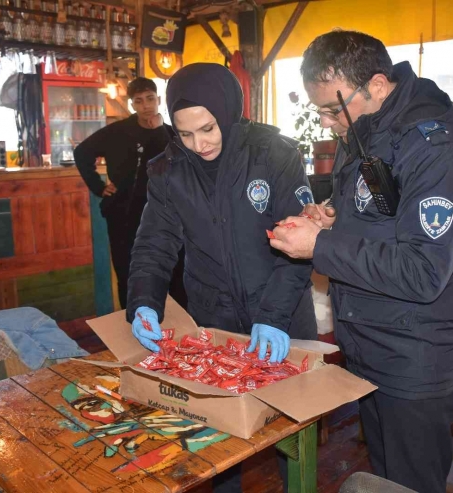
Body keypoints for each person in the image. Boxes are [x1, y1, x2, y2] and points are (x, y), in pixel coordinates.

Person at [269, 30, 453, 493]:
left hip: (415, 354)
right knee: (385, 477)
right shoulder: (366, 129)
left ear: (379, 86)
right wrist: (332, 221)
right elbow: (381, 217)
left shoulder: (438, 147)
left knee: (411, 481)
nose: (327, 123)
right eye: (319, 111)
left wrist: (320, 248)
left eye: (332, 108)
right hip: (371, 343)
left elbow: (424, 270)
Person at [126, 63, 317, 492]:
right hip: (216, 323)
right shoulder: (168, 170)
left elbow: (300, 245)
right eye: (185, 133)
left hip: (281, 318)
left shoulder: (273, 153)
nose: (199, 144)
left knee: (293, 435)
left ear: (228, 112)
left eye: (209, 128)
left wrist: (273, 314)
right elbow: (154, 246)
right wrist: (143, 302)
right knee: (218, 440)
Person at [74, 77, 186, 310]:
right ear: (132, 104)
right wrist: (98, 186)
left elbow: (179, 162)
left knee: (175, 271)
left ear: (158, 100)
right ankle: (132, 326)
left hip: (166, 215)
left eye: (150, 99)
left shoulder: (170, 133)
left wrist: (158, 131)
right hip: (124, 215)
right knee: (127, 272)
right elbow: (82, 152)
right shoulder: (117, 132)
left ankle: (178, 330)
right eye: (139, 101)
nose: (146, 105)